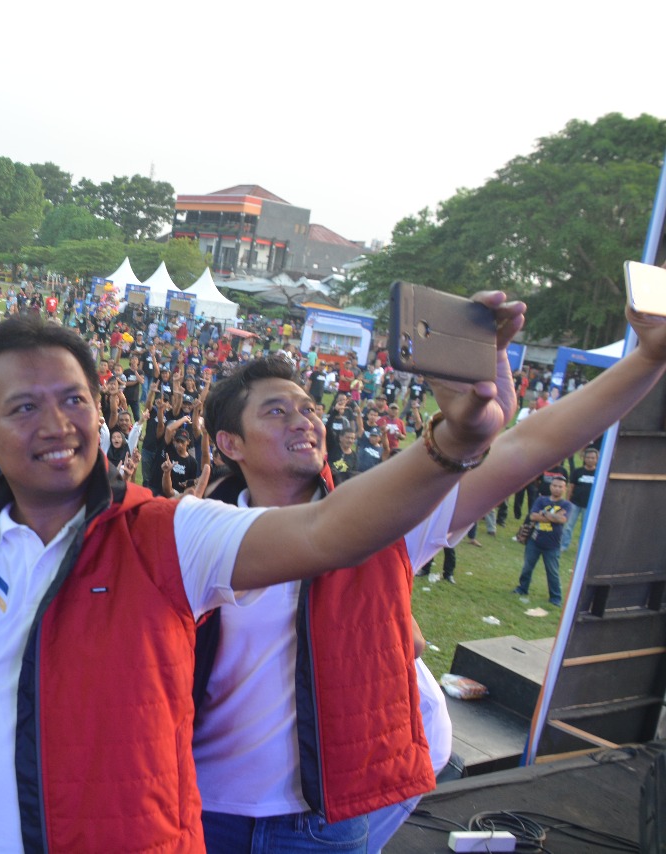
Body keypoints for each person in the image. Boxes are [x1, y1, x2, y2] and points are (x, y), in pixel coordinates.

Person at [0, 310, 513, 852]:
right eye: (24, 407)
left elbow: (328, 532)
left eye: (74, 399)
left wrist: (453, 443)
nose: (57, 423)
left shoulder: (167, 534)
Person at [191, 303, 666, 854]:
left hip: (324, 822)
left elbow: (529, 447)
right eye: (275, 412)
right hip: (207, 808)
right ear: (230, 444)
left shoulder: (384, 521)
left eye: (306, 407)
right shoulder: (198, 534)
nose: (304, 419)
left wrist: (649, 358)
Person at [514, 474, 574, 606]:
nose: (557, 489)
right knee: (527, 567)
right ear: (550, 486)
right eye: (554, 486)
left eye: (560, 487)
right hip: (534, 541)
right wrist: (553, 516)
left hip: (552, 545)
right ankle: (522, 588)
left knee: (552, 572)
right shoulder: (541, 500)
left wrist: (544, 513)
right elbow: (533, 516)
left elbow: (563, 519)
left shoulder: (567, 505)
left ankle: (556, 598)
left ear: (565, 488)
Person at [562, 446, 599, 551]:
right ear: (584, 458)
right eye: (588, 457)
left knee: (586, 528)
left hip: (589, 505)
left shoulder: (599, 473)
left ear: (597, 459)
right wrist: (567, 501)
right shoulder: (577, 471)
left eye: (593, 458)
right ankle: (564, 545)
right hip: (575, 503)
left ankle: (583, 548)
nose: (590, 460)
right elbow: (571, 487)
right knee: (568, 525)